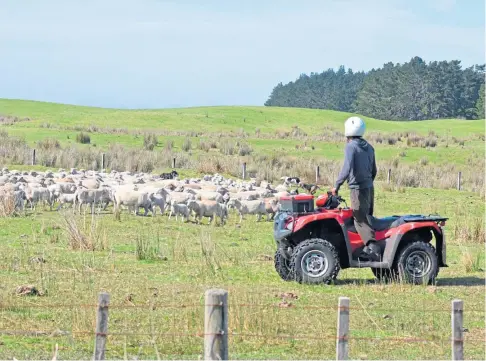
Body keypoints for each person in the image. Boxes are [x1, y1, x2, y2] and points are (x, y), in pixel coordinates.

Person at [331, 116, 379, 261]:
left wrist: (336, 186)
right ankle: (364, 246)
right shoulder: (369, 147)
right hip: (369, 187)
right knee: (367, 217)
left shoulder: (351, 147)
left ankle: (372, 248)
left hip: (357, 189)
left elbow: (347, 167)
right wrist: (368, 182)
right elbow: (374, 170)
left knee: (359, 218)